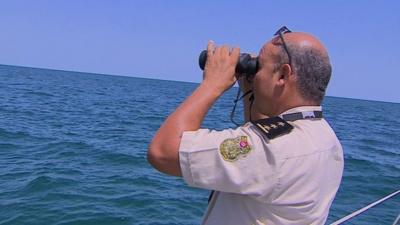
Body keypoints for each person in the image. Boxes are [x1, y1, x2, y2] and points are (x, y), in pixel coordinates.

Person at [147, 26, 344, 225]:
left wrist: (212, 84)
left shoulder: (273, 150)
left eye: (260, 66)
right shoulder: (326, 138)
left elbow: (163, 152)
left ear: (283, 76)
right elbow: (262, 165)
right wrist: (251, 90)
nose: (254, 73)